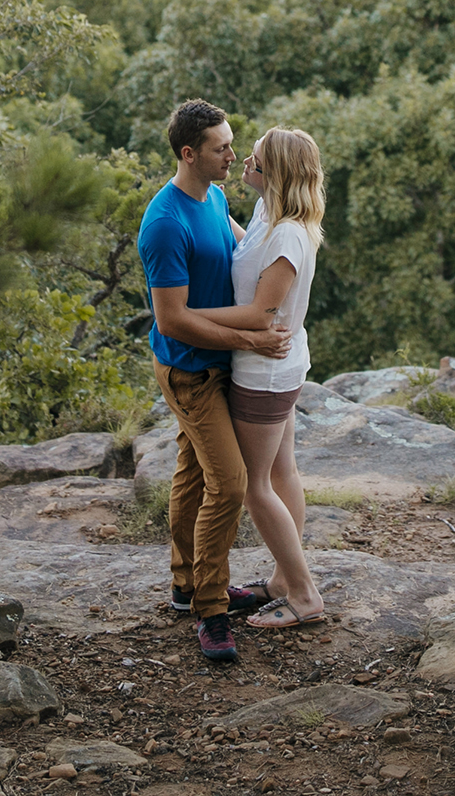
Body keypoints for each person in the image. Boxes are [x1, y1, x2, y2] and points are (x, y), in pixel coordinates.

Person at [137, 98, 290, 663]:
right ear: (189, 153)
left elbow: (247, 249)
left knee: (194, 473)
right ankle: (210, 608)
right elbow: (172, 319)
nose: (233, 154)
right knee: (229, 483)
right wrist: (250, 338)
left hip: (217, 364)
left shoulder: (216, 196)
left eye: (231, 144)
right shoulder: (165, 222)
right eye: (221, 148)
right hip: (188, 368)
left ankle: (184, 582)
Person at [198, 126, 328, 629]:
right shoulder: (266, 214)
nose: (241, 161)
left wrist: (186, 314)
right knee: (281, 473)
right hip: (282, 367)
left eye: (251, 158)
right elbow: (245, 246)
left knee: (254, 486)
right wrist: (211, 212)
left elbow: (258, 314)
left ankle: (304, 594)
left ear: (273, 173)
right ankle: (281, 579)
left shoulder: (289, 235)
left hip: (264, 373)